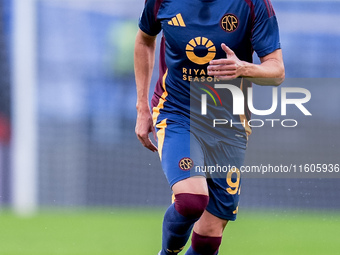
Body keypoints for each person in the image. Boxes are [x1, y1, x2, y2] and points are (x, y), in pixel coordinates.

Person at [134, 0, 285, 254]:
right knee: (192, 200)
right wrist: (142, 106)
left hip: (228, 123)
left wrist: (244, 68)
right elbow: (144, 40)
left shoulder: (252, 3)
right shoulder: (162, 2)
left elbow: (277, 70)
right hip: (177, 112)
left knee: (209, 235)